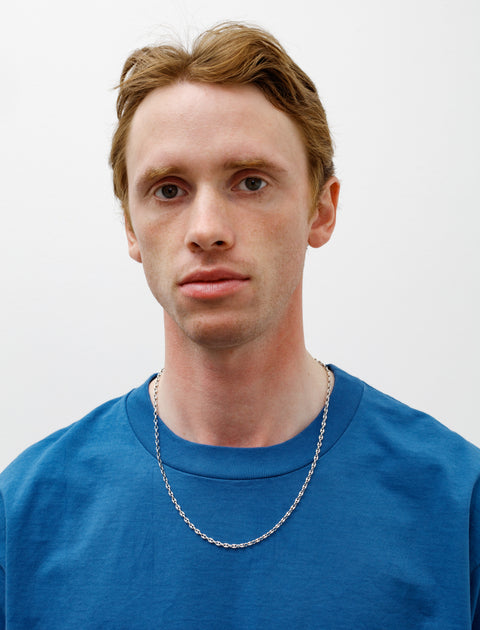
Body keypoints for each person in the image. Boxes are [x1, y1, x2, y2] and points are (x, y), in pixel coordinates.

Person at [1, 21, 479, 629]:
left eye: (250, 182)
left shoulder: (456, 504)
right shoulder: (25, 515)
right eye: (168, 190)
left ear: (322, 209)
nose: (207, 229)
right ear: (130, 228)